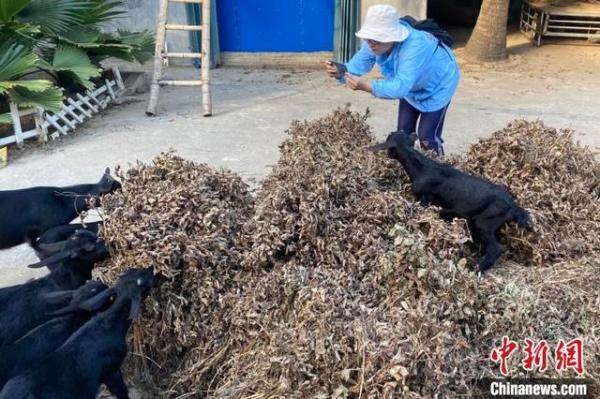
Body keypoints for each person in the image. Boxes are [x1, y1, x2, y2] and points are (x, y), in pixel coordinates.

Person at [325, 5, 460, 155]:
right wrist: (341, 72)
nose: (371, 43)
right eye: (368, 38)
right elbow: (356, 66)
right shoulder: (372, 43)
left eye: (377, 38)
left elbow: (400, 87)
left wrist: (367, 86)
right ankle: (405, 170)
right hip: (411, 85)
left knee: (427, 138)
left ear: (393, 37)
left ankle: (439, 173)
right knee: (402, 134)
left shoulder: (415, 46)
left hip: (439, 85)